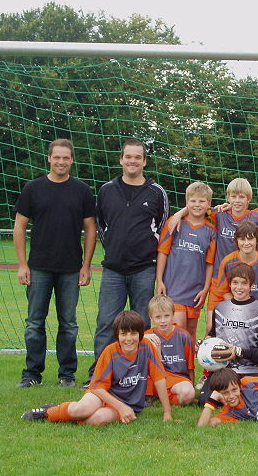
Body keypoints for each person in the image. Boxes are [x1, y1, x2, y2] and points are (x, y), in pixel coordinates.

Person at [13, 138, 96, 388]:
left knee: (68, 324)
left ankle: (67, 374)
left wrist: (86, 265)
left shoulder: (82, 190)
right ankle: (32, 374)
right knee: (34, 323)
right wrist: (22, 264)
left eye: (66, 157)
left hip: (71, 268)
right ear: (49, 158)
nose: (61, 161)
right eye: (57, 157)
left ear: (72, 160)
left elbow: (90, 229)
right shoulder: (33, 188)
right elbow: (19, 226)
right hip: (38, 267)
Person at [86, 138, 169, 386]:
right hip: (113, 269)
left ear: (144, 161)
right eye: (128, 156)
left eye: (137, 157)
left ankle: (141, 377)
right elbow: (101, 225)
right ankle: (99, 376)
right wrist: (114, 247)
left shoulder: (157, 192)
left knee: (143, 323)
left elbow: (163, 229)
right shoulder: (106, 190)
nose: (132, 161)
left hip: (144, 269)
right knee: (106, 323)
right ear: (121, 159)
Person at [21, 310, 172, 425]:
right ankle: (49, 412)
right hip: (103, 394)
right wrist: (120, 407)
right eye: (123, 334)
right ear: (117, 335)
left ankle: (68, 413)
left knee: (98, 419)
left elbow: (159, 379)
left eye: (133, 334)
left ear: (140, 334)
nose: (128, 339)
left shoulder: (147, 347)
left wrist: (167, 413)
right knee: (81, 410)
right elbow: (97, 387)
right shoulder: (110, 352)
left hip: (129, 403)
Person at [166, 178, 258, 330]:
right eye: (234, 196)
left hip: (244, 284)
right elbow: (199, 207)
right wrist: (179, 213)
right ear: (228, 197)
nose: (237, 200)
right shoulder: (219, 214)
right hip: (219, 281)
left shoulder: (257, 216)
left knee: (241, 329)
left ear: (249, 199)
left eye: (241, 197)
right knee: (212, 329)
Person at [196, 263, 258, 405]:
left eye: (244, 283)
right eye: (235, 282)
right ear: (230, 284)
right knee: (205, 401)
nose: (239, 287)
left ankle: (247, 389)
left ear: (251, 285)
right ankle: (217, 387)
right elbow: (213, 336)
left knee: (251, 400)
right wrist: (205, 345)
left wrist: (239, 352)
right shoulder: (220, 308)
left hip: (249, 369)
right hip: (222, 370)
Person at [156, 181, 216, 341]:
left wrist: (205, 289)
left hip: (195, 291)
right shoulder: (174, 223)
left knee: (190, 334)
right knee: (178, 329)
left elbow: (209, 263)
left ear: (209, 204)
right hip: (173, 289)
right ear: (186, 202)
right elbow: (162, 252)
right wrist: (159, 280)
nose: (197, 205)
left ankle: (189, 359)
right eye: (193, 200)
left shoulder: (211, 231)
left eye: (202, 201)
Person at [144, 294, 196, 406]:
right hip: (155, 380)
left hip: (177, 380)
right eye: (158, 317)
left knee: (188, 393)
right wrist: (143, 338)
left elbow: (190, 366)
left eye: (166, 316)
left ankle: (163, 396)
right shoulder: (147, 336)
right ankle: (149, 395)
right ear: (151, 317)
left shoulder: (183, 335)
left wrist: (192, 387)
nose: (163, 321)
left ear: (173, 314)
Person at [214, 219, 258, 308]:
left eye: (250, 239)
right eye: (242, 239)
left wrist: (256, 309)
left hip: (256, 309)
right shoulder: (227, 262)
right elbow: (225, 291)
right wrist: (238, 308)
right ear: (236, 241)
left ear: (257, 239)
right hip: (232, 309)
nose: (246, 243)